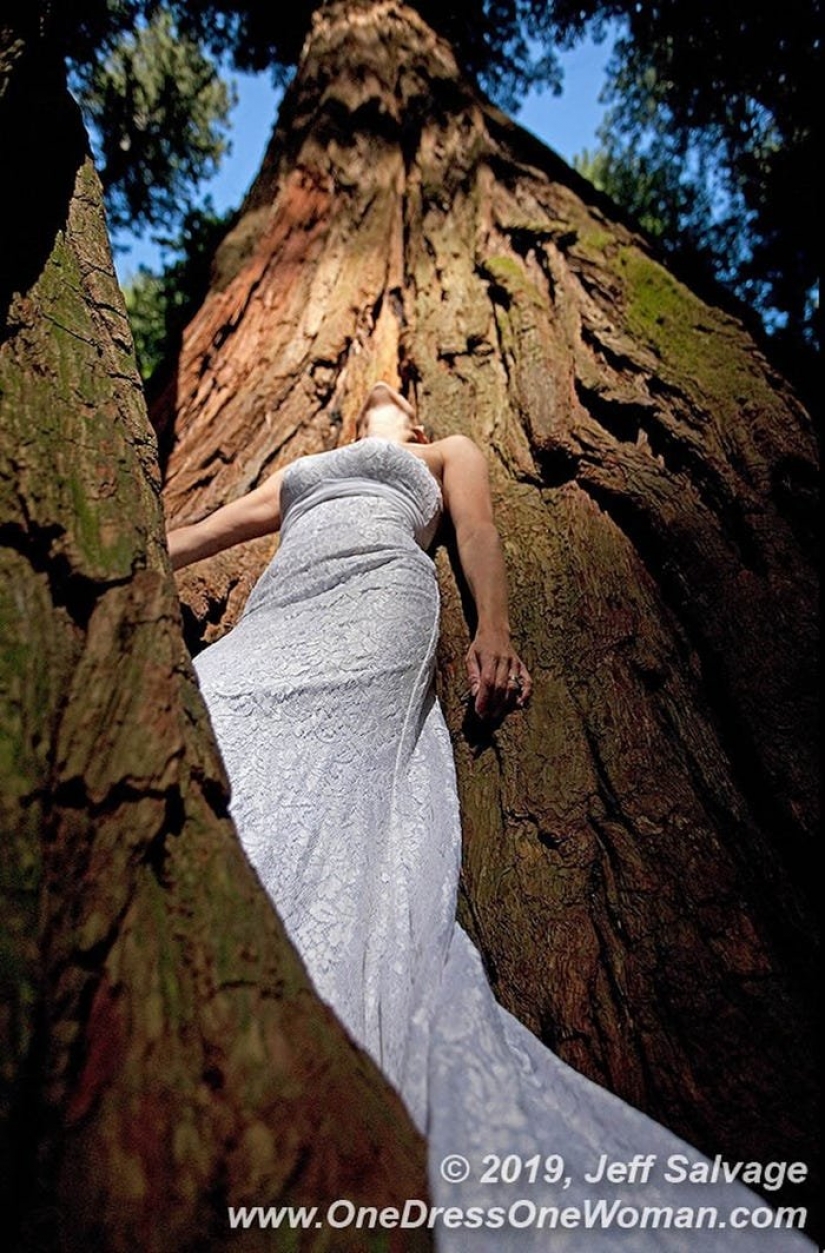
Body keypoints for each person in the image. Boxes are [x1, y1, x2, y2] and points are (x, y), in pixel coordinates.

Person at [167, 383, 814, 1251]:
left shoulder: (446, 451)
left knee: (329, 779)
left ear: (417, 423)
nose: (380, 395)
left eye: (396, 396)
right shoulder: (302, 469)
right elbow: (198, 534)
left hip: (377, 599)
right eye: (371, 396)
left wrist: (494, 630)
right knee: (209, 699)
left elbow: (474, 530)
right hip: (279, 607)